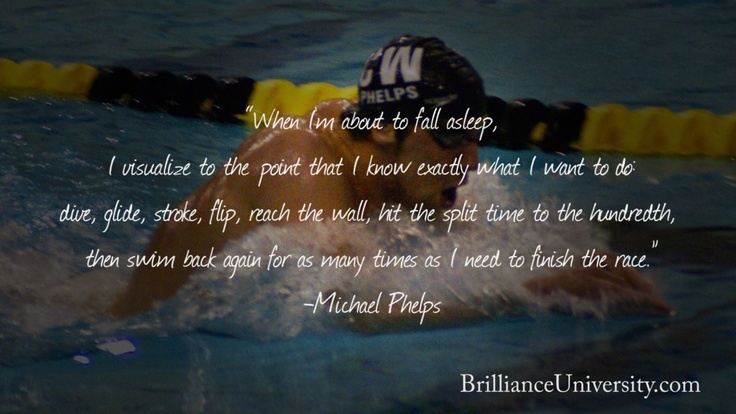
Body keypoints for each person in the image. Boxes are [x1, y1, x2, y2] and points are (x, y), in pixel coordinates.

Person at [109, 36, 672, 326]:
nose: (471, 162)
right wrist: (533, 295)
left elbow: (471, 248)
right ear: (383, 129)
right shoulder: (299, 165)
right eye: (450, 137)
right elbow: (352, 311)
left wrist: (569, 264)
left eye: (475, 137)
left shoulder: (396, 167)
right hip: (136, 333)